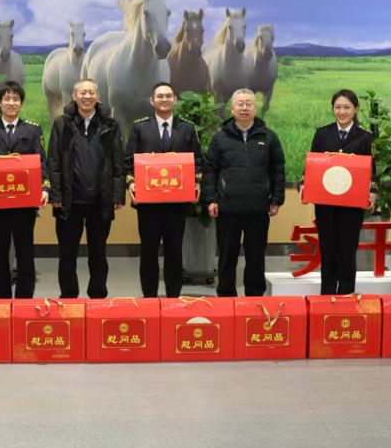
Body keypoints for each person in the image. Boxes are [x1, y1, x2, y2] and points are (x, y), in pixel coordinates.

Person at [47, 78, 125, 299]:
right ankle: (68, 295)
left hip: (101, 200)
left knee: (98, 253)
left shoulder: (110, 125)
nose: (87, 96)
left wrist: (117, 194)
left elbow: (118, 162)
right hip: (69, 200)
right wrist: (56, 194)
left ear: (98, 97)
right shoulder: (62, 124)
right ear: (74, 96)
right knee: (67, 254)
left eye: (91, 93)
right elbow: (53, 160)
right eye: (83, 92)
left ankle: (98, 295)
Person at [203, 88, 285, 297]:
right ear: (232, 109)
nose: (244, 108)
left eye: (249, 103)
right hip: (227, 208)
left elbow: (277, 169)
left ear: (255, 108)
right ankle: (226, 296)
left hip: (258, 208)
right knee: (226, 256)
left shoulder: (269, 137)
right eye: (240, 104)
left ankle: (255, 298)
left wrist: (276, 199)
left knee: (256, 257)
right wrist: (211, 199)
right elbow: (210, 170)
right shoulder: (220, 138)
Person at [124, 82, 203, 298]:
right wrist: (131, 183)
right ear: (152, 100)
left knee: (174, 251)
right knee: (148, 251)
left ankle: (173, 298)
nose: (164, 99)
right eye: (160, 96)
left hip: (177, 204)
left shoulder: (187, 128)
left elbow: (198, 160)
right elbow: (128, 161)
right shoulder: (140, 128)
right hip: (148, 204)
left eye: (168, 96)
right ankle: (149, 298)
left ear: (175, 100)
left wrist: (196, 182)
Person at [0, 82, 49, 301]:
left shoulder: (33, 130)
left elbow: (41, 162)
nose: (11, 103)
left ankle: (25, 301)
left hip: (24, 203)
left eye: (15, 99)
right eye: (7, 98)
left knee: (25, 252)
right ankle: (2, 301)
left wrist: (45, 187)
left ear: (21, 103)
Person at [308, 89, 377, 295]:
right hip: (326, 203)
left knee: (348, 249)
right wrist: (305, 184)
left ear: (355, 109)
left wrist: (373, 192)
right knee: (328, 248)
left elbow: (372, 169)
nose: (342, 111)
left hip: (352, 204)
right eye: (337, 107)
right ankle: (327, 295)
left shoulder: (365, 137)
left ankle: (346, 294)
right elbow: (311, 165)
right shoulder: (322, 133)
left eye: (347, 107)